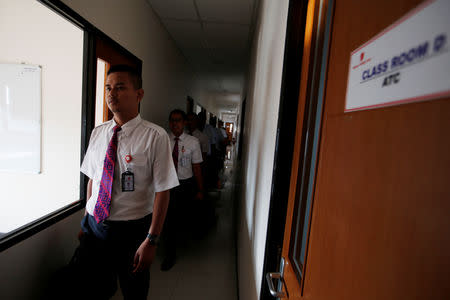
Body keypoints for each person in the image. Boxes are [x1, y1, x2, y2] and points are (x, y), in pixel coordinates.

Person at [52, 65, 179, 300]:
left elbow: (163, 191)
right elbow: (94, 179)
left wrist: (151, 240)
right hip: (94, 227)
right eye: (108, 88)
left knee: (134, 292)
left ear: (139, 94)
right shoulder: (98, 132)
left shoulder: (155, 136)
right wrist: (86, 219)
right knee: (90, 289)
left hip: (132, 232)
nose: (111, 94)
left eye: (120, 88)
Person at [161, 109, 204, 271]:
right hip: (168, 185)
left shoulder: (192, 142)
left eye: (178, 120)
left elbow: (197, 166)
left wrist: (200, 189)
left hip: (186, 185)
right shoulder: (163, 139)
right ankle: (169, 255)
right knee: (168, 221)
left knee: (183, 217)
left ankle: (184, 241)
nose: (175, 123)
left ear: (184, 122)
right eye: (172, 120)